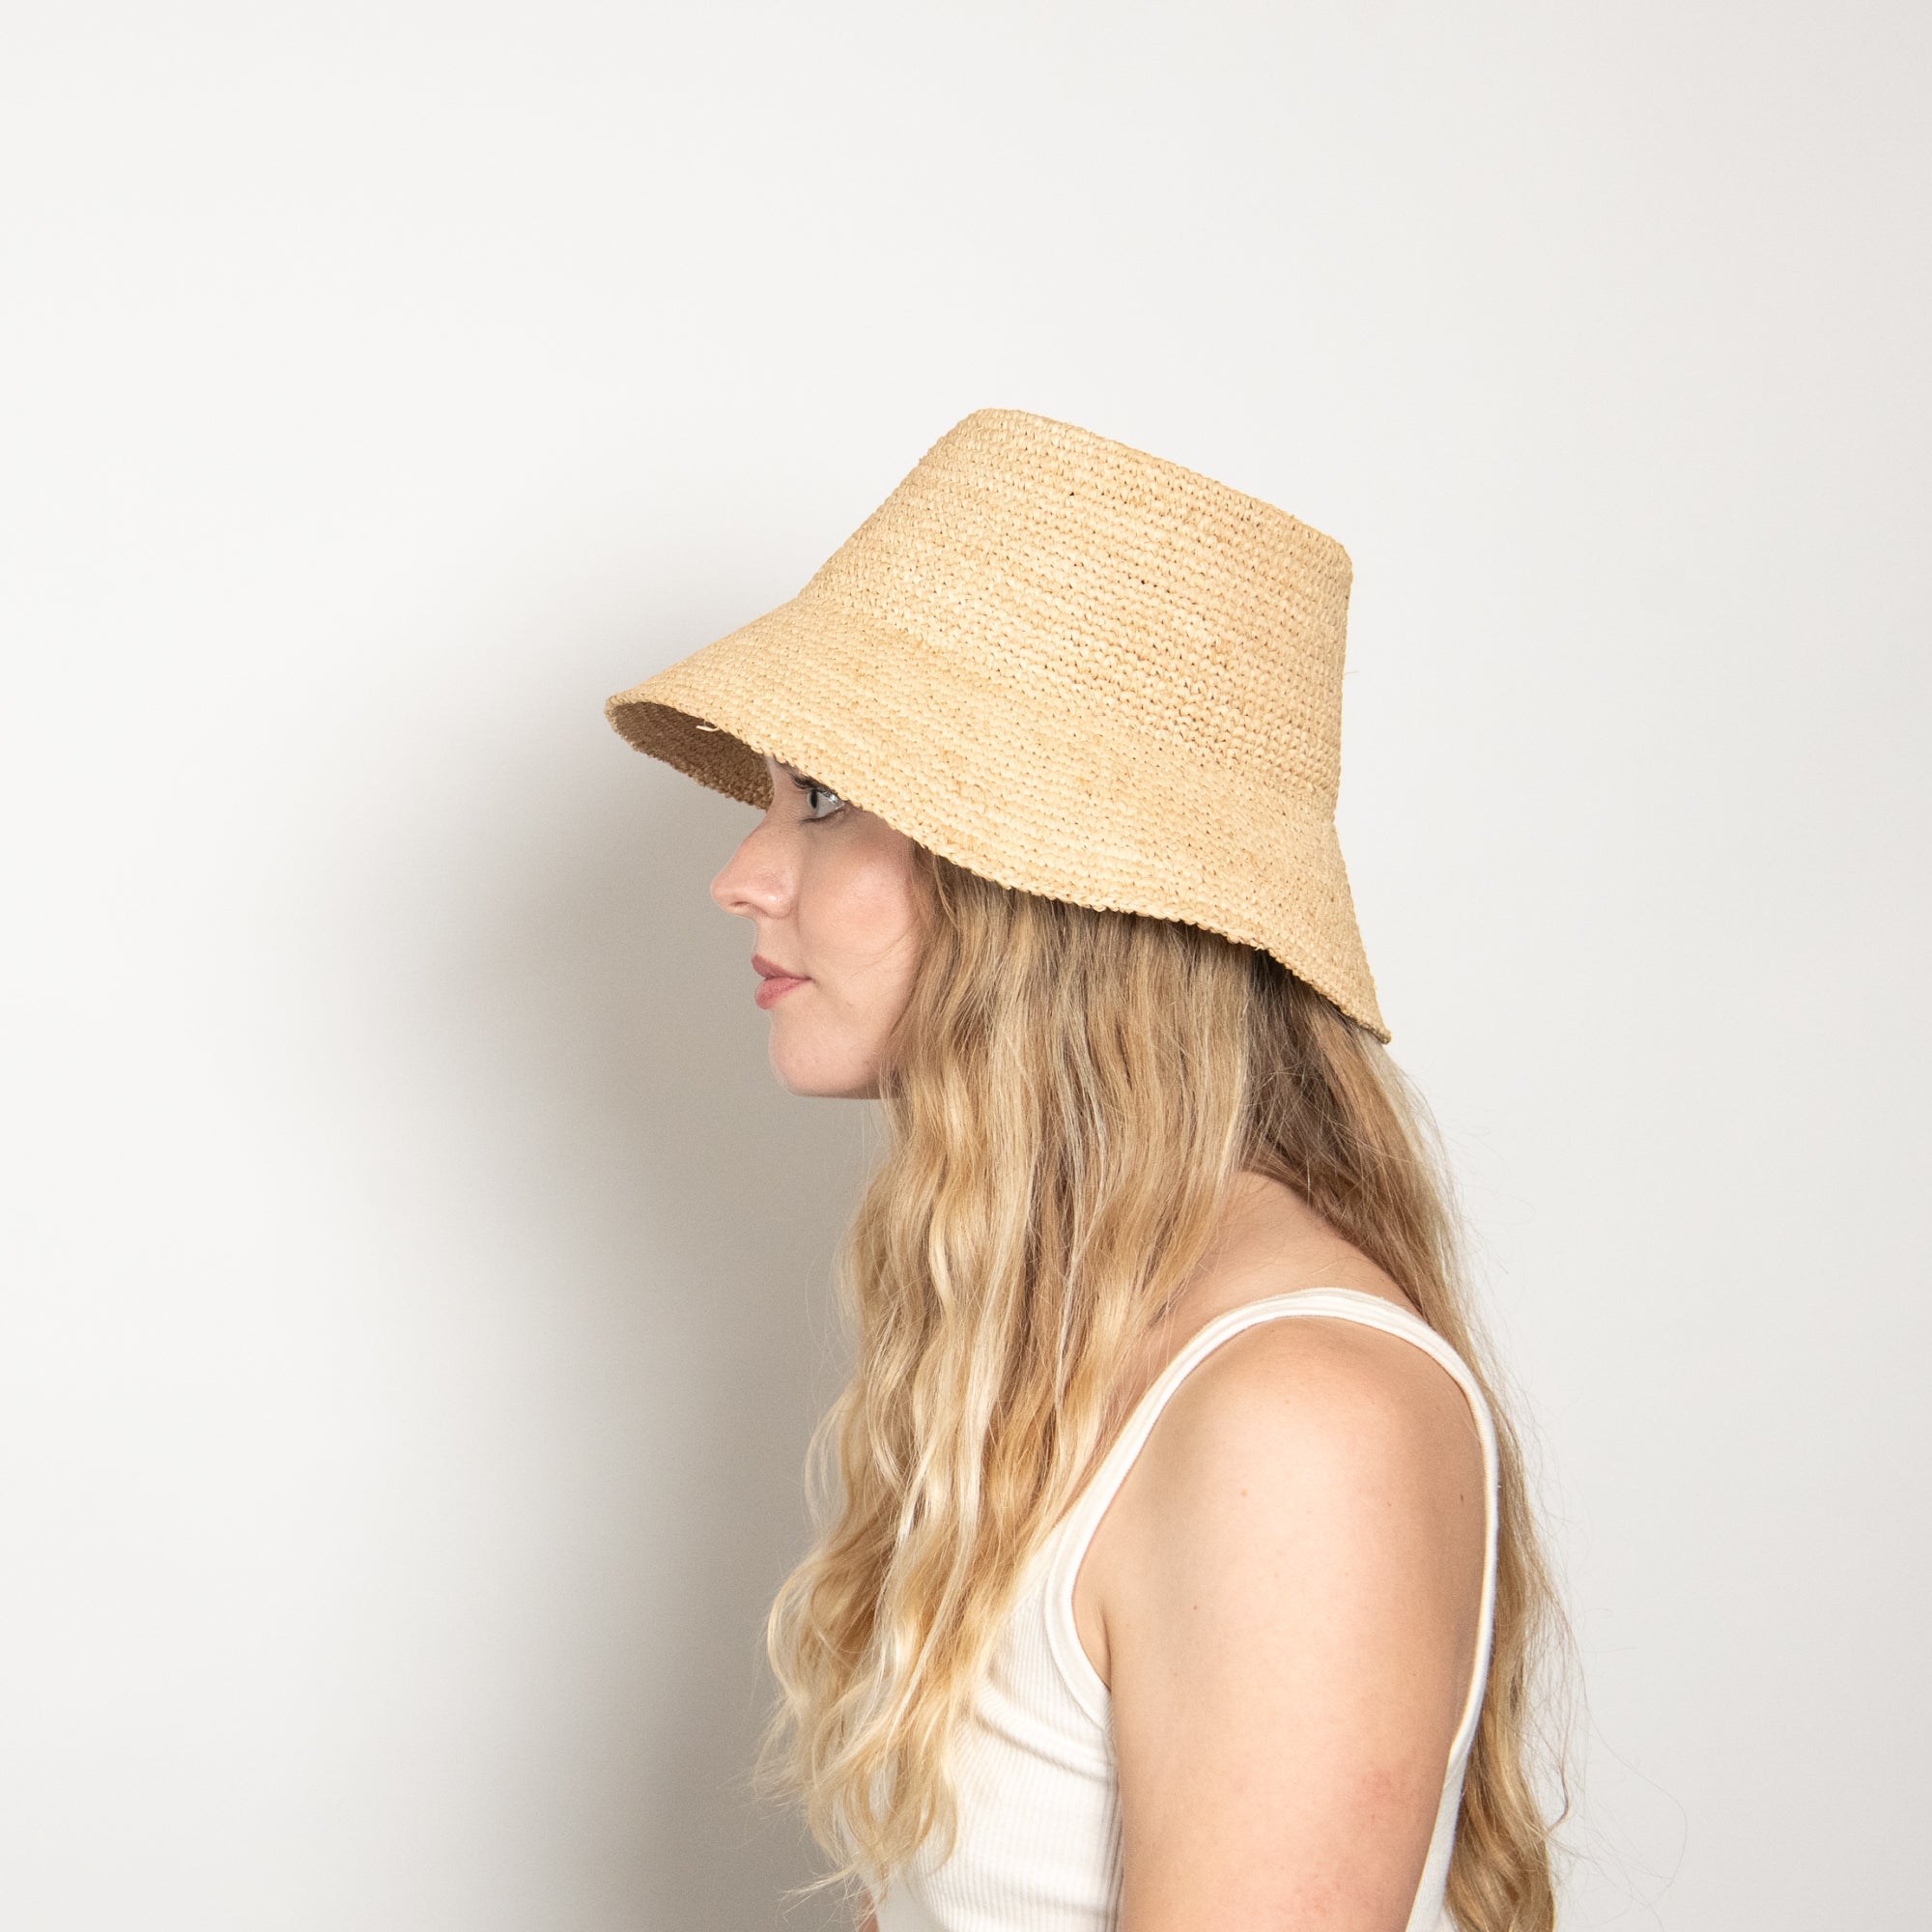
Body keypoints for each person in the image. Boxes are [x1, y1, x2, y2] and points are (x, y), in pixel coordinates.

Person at [605, 410, 1566, 1931]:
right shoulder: (1047, 1337)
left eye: (827, 799)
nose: (743, 871)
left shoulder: (1300, 1418)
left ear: (1042, 883)